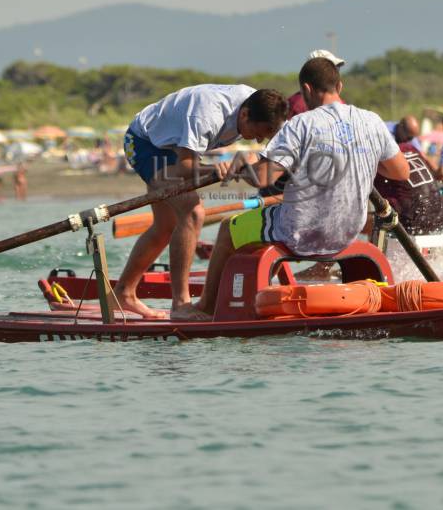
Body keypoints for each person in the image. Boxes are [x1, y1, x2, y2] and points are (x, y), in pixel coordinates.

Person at [174, 56, 410, 320]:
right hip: (348, 230)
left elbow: (262, 178)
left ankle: (205, 308)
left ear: (306, 90)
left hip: (300, 232)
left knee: (228, 229)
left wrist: (241, 163)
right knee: (262, 224)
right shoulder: (372, 121)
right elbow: (401, 172)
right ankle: (265, 294)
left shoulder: (300, 125)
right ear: (339, 87)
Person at [114, 84, 288, 318]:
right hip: (146, 143)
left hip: (173, 147)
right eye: (258, 132)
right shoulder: (205, 114)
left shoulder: (265, 105)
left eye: (265, 135)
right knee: (193, 212)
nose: (258, 140)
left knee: (165, 227)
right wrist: (216, 170)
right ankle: (181, 305)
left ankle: (123, 294)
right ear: (244, 114)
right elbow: (186, 167)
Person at [373, 116, 443, 234]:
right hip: (441, 217)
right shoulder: (406, 146)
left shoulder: (406, 146)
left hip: (416, 222)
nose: (410, 139)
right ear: (401, 128)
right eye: (409, 137)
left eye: (412, 137)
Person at [286, 49, 345, 118]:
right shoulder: (297, 105)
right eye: (329, 68)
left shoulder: (341, 104)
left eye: (337, 68)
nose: (334, 72)